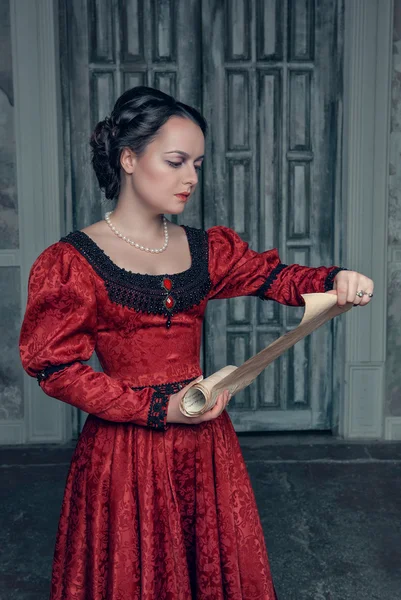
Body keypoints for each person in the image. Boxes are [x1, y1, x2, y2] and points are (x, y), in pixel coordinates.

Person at [19, 86, 374, 600]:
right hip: (124, 451)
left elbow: (277, 278)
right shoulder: (71, 262)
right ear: (128, 159)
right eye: (176, 161)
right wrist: (158, 408)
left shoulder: (206, 248)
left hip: (205, 440)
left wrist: (338, 277)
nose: (191, 178)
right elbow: (55, 368)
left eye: (198, 164)